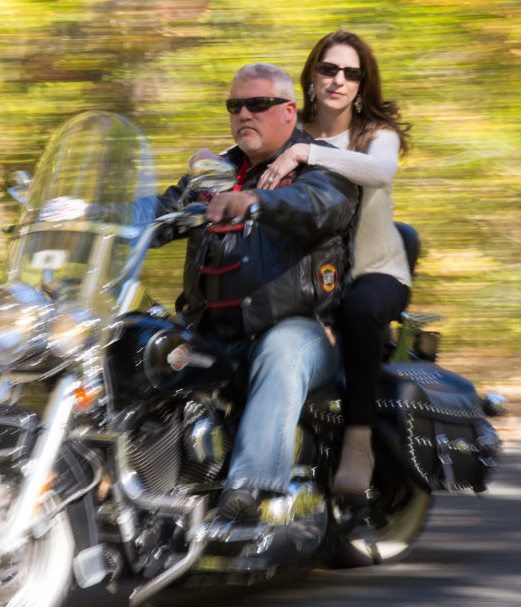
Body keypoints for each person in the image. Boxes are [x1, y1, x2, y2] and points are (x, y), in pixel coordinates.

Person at [144, 63, 360, 520]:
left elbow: (323, 205)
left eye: (257, 104)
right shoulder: (217, 173)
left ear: (288, 111)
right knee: (144, 349)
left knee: (280, 351)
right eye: (234, 106)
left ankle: (250, 492)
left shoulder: (317, 164)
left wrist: (258, 201)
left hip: (302, 332)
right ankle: (148, 493)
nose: (244, 113)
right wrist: (86, 213)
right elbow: (160, 208)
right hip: (214, 333)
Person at [256, 30, 412, 496]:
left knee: (360, 311)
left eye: (351, 73)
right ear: (311, 76)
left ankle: (359, 442)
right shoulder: (289, 126)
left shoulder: (374, 135)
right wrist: (209, 161)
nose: (338, 80)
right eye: (328, 69)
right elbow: (247, 150)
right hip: (308, 275)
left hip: (375, 272)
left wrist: (307, 152)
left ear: (363, 84)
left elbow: (381, 172)